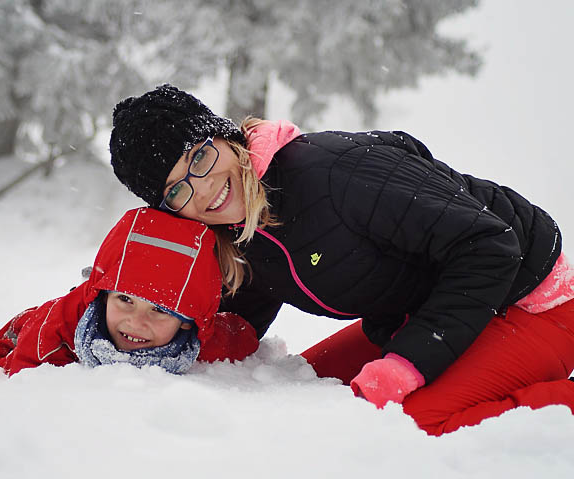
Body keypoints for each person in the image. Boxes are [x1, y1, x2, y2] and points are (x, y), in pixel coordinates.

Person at [108, 84, 574, 435]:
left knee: (410, 427)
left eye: (201, 157)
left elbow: (489, 246)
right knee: (300, 389)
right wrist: (156, 344)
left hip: (529, 300)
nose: (203, 188)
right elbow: (239, 317)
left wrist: (407, 364)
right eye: (177, 189)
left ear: (225, 137)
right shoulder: (237, 231)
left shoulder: (333, 174)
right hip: (425, 312)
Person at [0, 206, 259, 376]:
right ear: (104, 296)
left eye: (159, 310)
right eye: (125, 299)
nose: (136, 322)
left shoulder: (197, 340)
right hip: (21, 333)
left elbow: (240, 336)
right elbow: (13, 381)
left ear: (188, 322)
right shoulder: (55, 331)